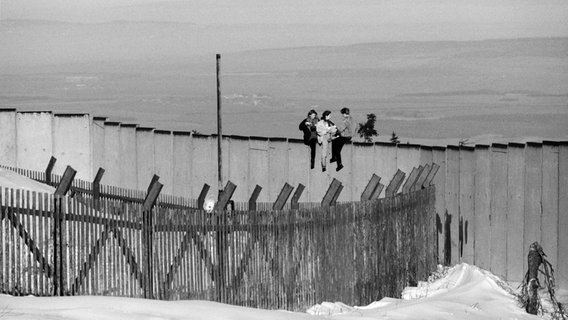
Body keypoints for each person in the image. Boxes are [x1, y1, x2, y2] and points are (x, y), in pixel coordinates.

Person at [331, 107, 357, 171]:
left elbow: (340, 130)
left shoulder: (346, 121)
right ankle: (337, 162)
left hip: (345, 137)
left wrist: (335, 132)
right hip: (350, 137)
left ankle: (335, 158)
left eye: (342, 114)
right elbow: (356, 127)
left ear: (344, 114)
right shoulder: (352, 119)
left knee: (334, 141)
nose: (342, 115)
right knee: (338, 149)